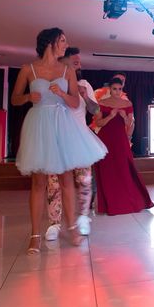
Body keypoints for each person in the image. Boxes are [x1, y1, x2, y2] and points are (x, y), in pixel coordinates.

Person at [11, 28, 108, 254]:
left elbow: (75, 102)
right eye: (62, 41)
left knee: (66, 180)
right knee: (39, 183)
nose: (66, 44)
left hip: (63, 125)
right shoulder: (28, 69)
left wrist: (63, 95)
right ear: (50, 42)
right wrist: (27, 97)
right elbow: (15, 99)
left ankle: (72, 228)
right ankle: (35, 235)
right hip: (39, 124)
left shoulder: (67, 71)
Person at [44, 47, 100, 241]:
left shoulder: (84, 83)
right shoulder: (52, 83)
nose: (79, 63)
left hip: (80, 138)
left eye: (79, 61)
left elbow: (95, 111)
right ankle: (54, 223)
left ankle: (83, 217)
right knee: (54, 183)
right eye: (74, 60)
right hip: (58, 137)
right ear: (63, 60)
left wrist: (85, 96)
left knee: (84, 180)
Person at [94, 77, 154, 215]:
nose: (117, 92)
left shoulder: (127, 103)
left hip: (120, 138)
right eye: (114, 89)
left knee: (125, 168)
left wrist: (124, 117)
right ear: (109, 89)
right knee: (107, 169)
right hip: (105, 138)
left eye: (119, 89)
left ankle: (129, 201)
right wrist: (110, 116)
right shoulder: (102, 102)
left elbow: (130, 124)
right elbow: (98, 123)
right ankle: (110, 203)